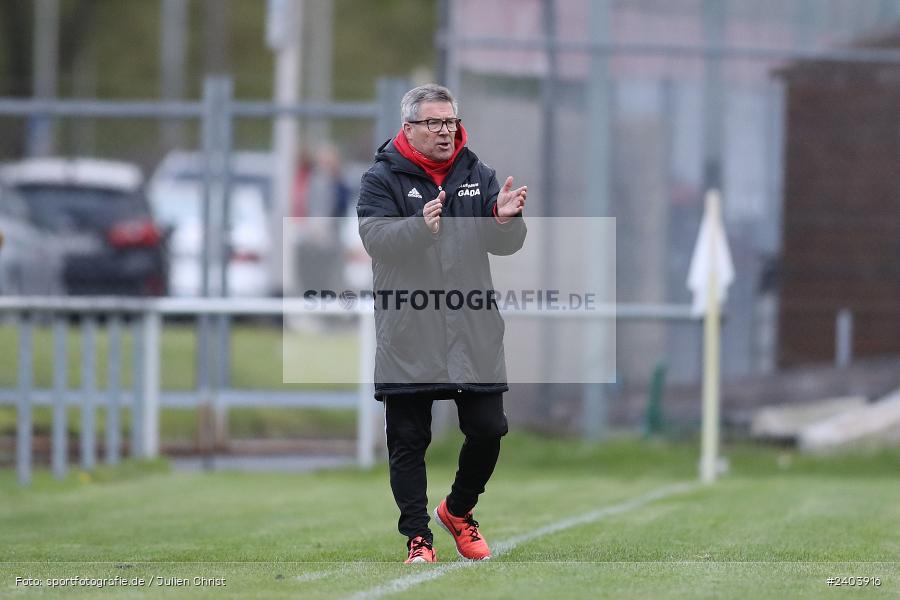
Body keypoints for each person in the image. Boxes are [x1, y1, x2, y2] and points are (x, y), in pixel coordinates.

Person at [356, 84, 527, 563]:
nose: (445, 131)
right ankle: (418, 537)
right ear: (409, 128)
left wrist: (504, 219)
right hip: (410, 329)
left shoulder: (479, 173)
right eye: (434, 123)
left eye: (450, 121)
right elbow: (375, 239)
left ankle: (458, 510)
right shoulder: (381, 179)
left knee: (489, 427)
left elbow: (504, 243)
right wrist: (419, 228)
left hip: (472, 328)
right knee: (408, 440)